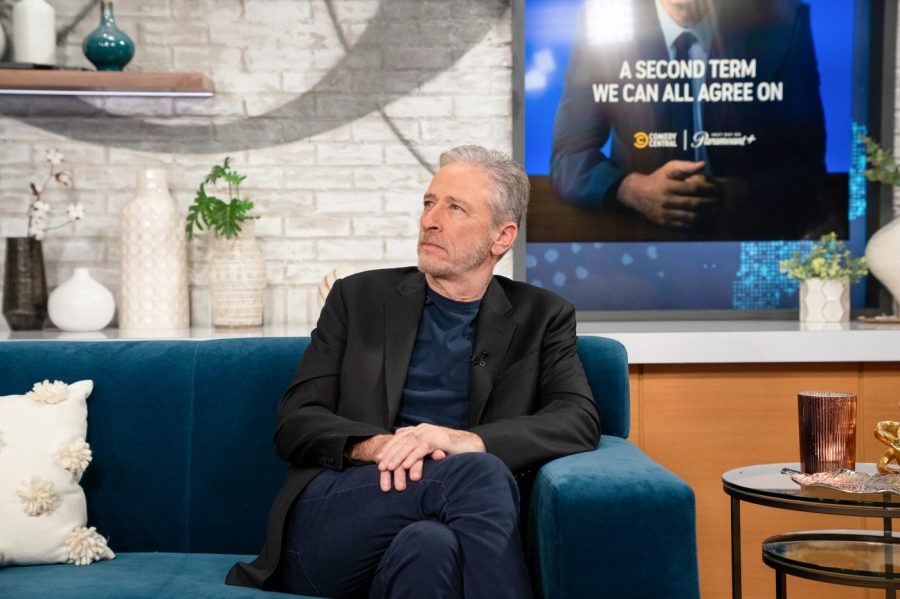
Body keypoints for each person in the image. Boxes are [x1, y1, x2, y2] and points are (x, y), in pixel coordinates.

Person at [225, 145, 601, 598]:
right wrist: (384, 446)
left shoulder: (542, 316)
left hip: (438, 528)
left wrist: (465, 441)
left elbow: (577, 419)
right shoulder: (357, 298)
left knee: (432, 546)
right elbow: (296, 421)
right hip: (337, 519)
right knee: (478, 474)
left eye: (455, 207)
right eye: (429, 203)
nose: (430, 220)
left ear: (502, 237)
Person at [550, 0, 827, 240]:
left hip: (752, 236)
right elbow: (569, 158)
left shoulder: (783, 22)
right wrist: (632, 189)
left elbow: (807, 161)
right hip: (636, 240)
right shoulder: (603, 23)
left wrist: (749, 191)